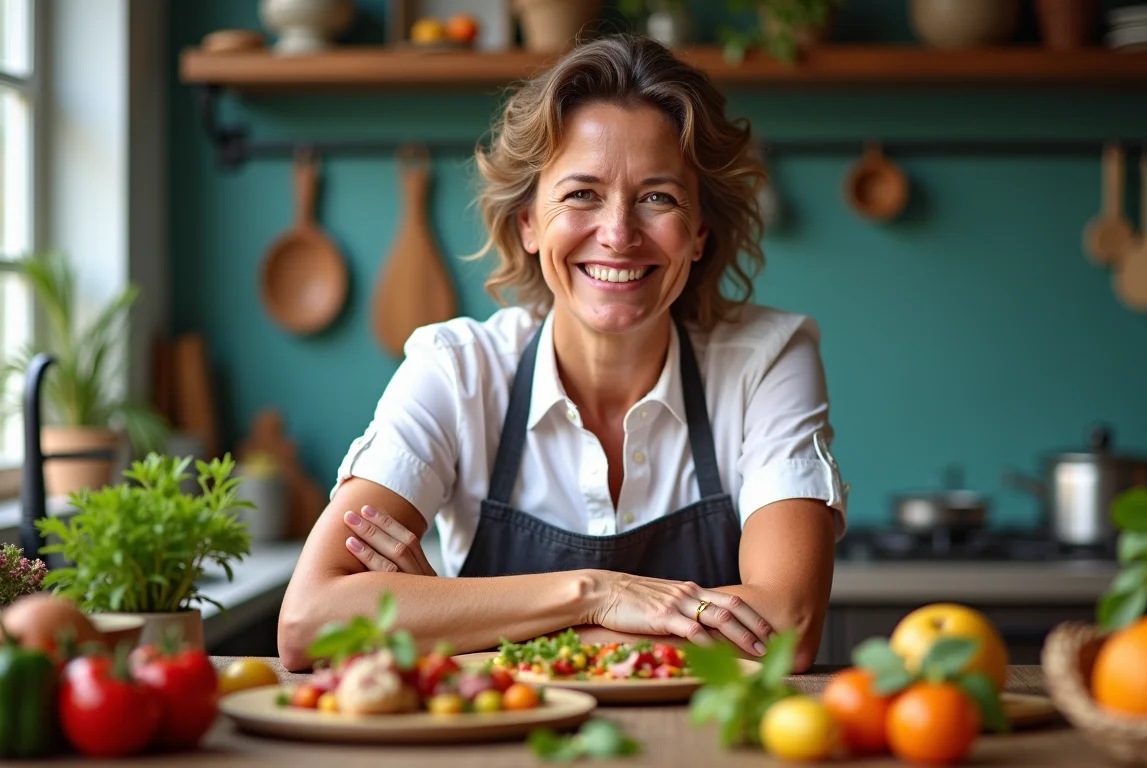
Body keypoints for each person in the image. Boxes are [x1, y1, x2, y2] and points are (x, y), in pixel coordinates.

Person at [277, 33, 847, 673]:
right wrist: (599, 595)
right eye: (581, 194)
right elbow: (311, 620)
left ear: (698, 234)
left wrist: (459, 623)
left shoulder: (766, 360)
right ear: (527, 222)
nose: (618, 234)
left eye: (658, 197)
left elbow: (788, 625)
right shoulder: (456, 368)